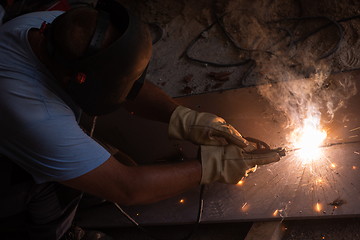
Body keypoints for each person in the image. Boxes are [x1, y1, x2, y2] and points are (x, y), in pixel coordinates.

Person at [0, 0, 280, 239]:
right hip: (9, 171)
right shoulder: (37, 118)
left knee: (121, 167)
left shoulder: (62, 29)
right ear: (75, 79)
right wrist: (210, 168)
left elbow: (124, 86)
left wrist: (182, 117)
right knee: (62, 188)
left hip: (16, 130)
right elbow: (128, 187)